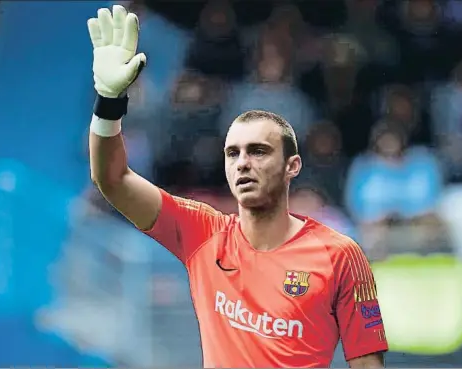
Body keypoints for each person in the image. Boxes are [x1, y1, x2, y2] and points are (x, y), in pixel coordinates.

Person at [87, 5, 388, 368]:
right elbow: (113, 179)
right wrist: (109, 103)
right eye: (233, 154)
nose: (244, 163)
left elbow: (367, 363)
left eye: (259, 151)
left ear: (292, 166)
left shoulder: (342, 256)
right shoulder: (203, 232)